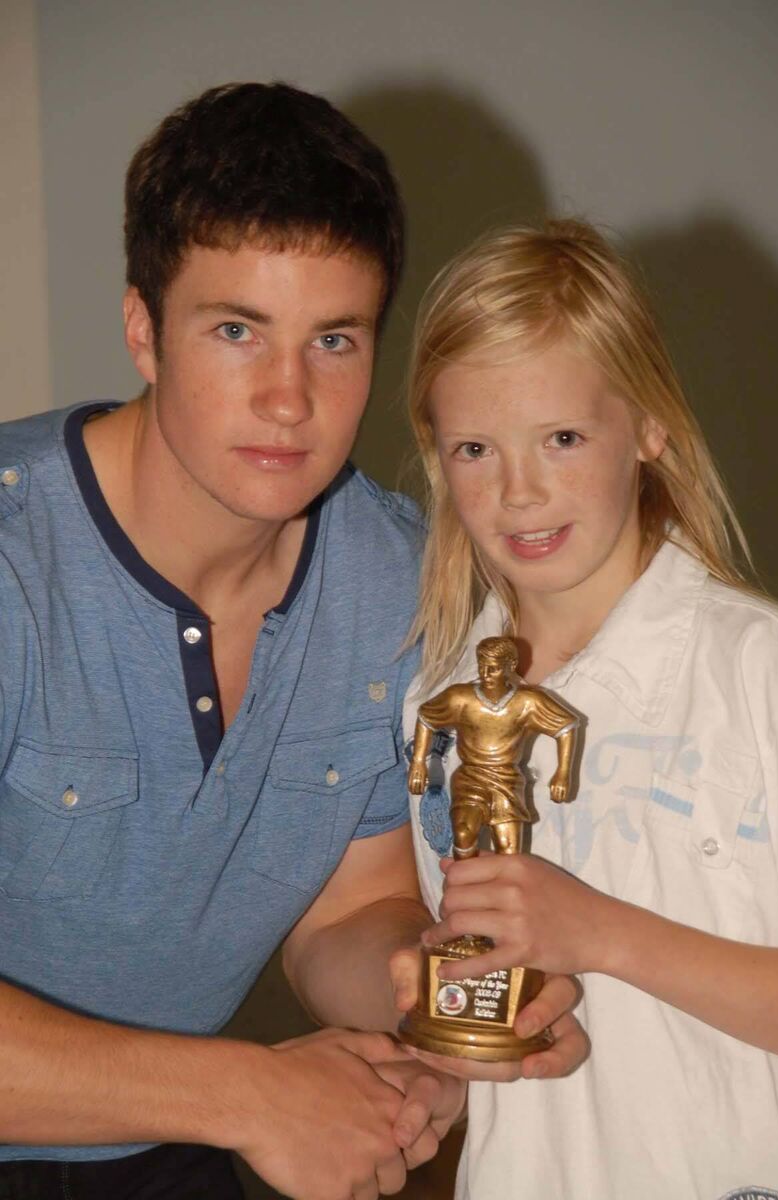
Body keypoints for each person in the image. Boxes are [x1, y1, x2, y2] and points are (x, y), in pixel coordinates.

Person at [0, 80, 475, 1200]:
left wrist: (436, 1008)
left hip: (168, 1139)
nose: (288, 399)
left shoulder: (397, 580)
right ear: (142, 330)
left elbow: (349, 909)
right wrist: (253, 1095)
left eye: (334, 340)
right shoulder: (15, 561)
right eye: (235, 331)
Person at [396, 218, 778, 1199]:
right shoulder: (432, 703)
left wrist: (602, 934)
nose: (519, 492)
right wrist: (439, 1069)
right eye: (476, 449)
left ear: (650, 427)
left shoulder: (765, 672)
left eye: (563, 439)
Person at [408, 636, 578, 857]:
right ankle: (464, 876)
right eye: (482, 666)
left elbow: (566, 727)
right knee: (463, 833)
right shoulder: (461, 697)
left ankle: (504, 877)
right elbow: (426, 717)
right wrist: (418, 762)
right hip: (469, 777)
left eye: (494, 669)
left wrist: (563, 773)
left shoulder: (527, 701)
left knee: (508, 847)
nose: (486, 674)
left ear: (511, 666)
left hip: (507, 780)